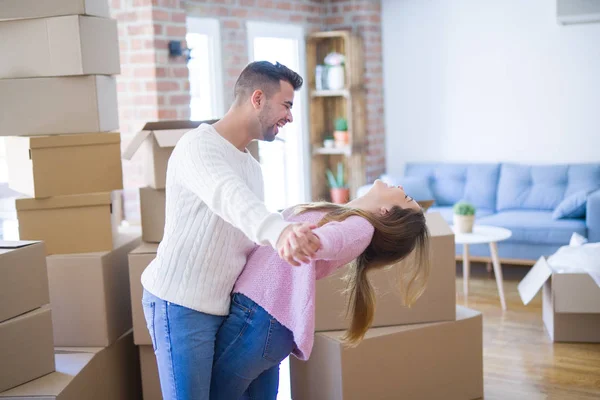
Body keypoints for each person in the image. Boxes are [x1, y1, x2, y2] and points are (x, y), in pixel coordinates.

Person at [140, 61, 321, 400]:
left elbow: (249, 238)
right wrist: (279, 231)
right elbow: (228, 196)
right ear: (257, 98)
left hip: (224, 307)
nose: (290, 117)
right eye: (287, 105)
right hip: (180, 303)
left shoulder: (252, 168)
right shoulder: (198, 146)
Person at [209, 179, 432, 399]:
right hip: (267, 322)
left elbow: (335, 239)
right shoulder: (344, 215)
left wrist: (314, 240)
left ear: (385, 211)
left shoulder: (362, 227)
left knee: (214, 392)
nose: (401, 188)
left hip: (258, 317)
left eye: (406, 198)